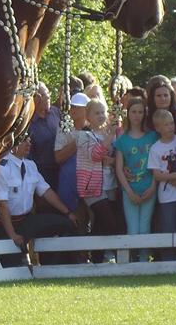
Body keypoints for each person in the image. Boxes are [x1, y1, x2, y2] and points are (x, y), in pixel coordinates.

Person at [0, 135, 77, 266]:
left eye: (29, 140)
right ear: (13, 145)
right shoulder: (2, 168)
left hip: (26, 221)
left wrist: (68, 213)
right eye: (24, 140)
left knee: (65, 224)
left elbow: (46, 192)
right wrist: (13, 235)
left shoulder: (30, 165)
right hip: (4, 226)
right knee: (15, 269)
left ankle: (51, 267)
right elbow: (2, 205)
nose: (28, 143)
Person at [73, 100, 121, 257]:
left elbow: (119, 156)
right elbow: (95, 155)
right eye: (96, 113)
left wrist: (112, 160)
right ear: (88, 117)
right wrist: (110, 136)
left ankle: (97, 259)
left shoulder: (111, 134)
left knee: (100, 225)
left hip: (111, 184)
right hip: (92, 187)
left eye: (103, 112)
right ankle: (113, 254)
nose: (101, 115)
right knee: (110, 222)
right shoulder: (84, 135)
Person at [112, 99, 158, 260]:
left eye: (140, 112)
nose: (137, 115)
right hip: (130, 189)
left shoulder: (152, 137)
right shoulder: (122, 140)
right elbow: (119, 168)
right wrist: (129, 191)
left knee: (145, 228)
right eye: (133, 112)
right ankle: (132, 261)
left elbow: (157, 164)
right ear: (128, 114)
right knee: (133, 229)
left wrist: (153, 187)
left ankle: (144, 261)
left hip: (149, 188)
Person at [147, 109, 176, 260]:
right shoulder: (155, 148)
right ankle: (169, 260)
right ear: (158, 128)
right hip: (167, 197)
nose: (170, 127)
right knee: (168, 228)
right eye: (166, 125)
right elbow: (156, 174)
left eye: (172, 123)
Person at [54, 92, 91, 216]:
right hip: (69, 181)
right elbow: (58, 157)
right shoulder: (64, 127)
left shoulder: (95, 127)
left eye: (77, 107)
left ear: (86, 109)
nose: (73, 109)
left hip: (91, 181)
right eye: (72, 106)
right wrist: (79, 140)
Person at [27, 83, 62, 190]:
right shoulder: (29, 123)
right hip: (43, 175)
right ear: (35, 98)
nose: (48, 96)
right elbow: (28, 157)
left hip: (62, 169)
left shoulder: (56, 112)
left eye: (48, 93)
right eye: (44, 94)